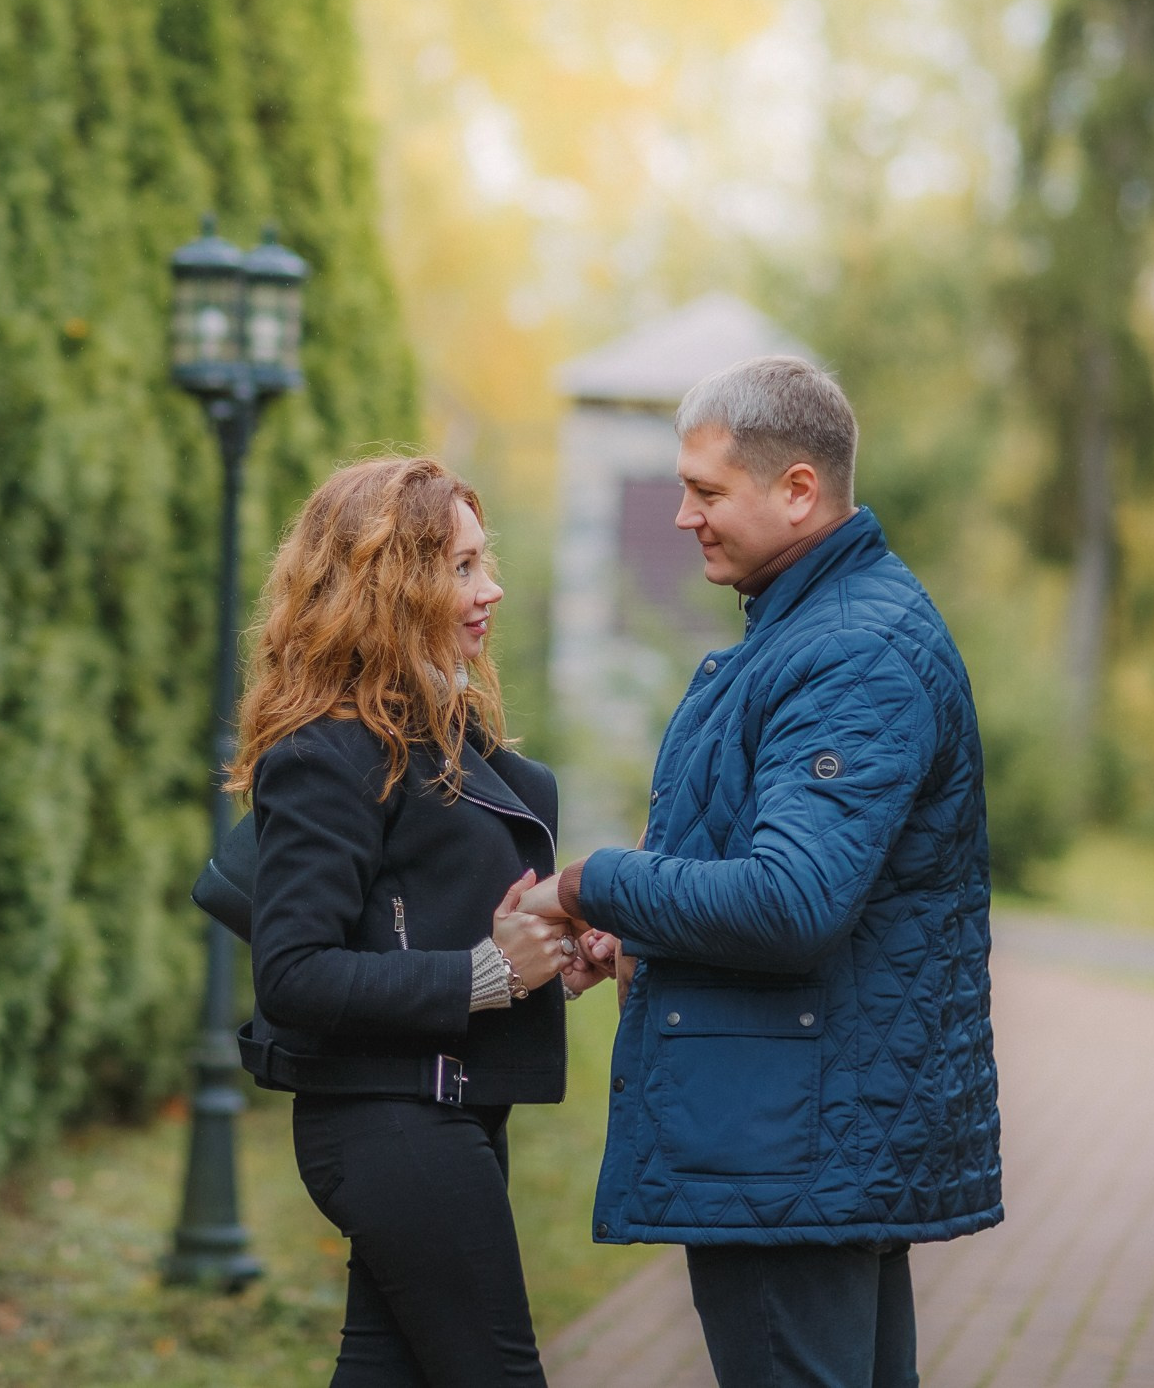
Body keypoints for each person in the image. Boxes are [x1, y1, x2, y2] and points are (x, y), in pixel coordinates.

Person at [528, 356, 1001, 1388]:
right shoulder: (821, 626)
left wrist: (588, 885)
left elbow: (791, 903)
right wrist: (647, 925)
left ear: (796, 489)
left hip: (790, 1142)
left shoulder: (851, 651)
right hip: (805, 1128)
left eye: (704, 492)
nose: (682, 517)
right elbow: (775, 867)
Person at [236, 456, 611, 1388]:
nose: (492, 589)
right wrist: (486, 973)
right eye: (460, 567)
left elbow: (441, 920)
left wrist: (553, 948)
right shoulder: (327, 751)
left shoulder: (446, 741)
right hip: (388, 1121)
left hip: (450, 1111)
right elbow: (294, 972)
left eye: (485, 561)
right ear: (388, 586)